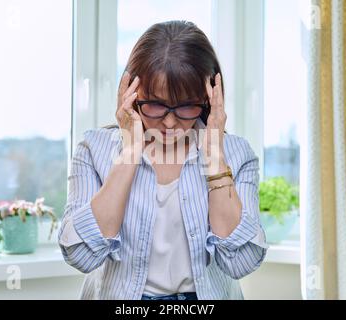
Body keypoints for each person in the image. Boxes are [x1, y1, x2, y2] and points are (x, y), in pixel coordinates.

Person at [58, 20, 268, 300]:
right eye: (155, 104)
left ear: (209, 98)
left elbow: (240, 261)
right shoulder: (93, 150)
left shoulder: (238, 154)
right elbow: (81, 255)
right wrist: (131, 151)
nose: (169, 122)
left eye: (186, 106)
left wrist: (214, 154)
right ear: (130, 93)